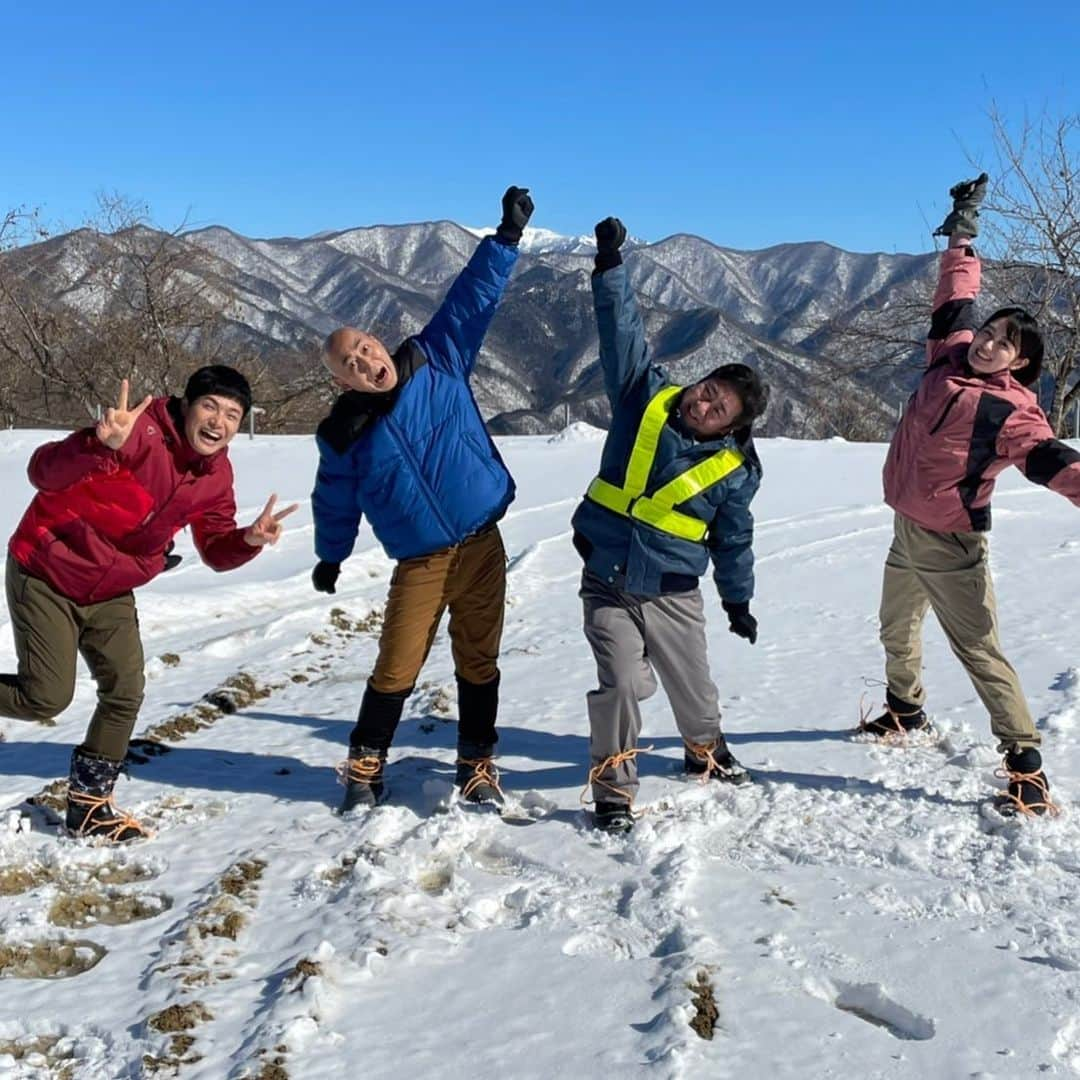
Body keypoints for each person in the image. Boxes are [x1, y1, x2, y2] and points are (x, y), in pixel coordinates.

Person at [862, 173, 1080, 816]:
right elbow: (956, 291)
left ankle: (1026, 764)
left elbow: (1055, 462)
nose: (988, 341)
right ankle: (905, 711)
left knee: (978, 649)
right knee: (895, 628)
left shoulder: (1012, 413)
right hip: (906, 524)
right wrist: (964, 226)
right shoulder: (949, 354)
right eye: (991, 331)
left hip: (952, 543)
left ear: (1021, 362)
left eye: (1005, 341)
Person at [2, 365, 296, 841]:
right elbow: (41, 472)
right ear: (186, 406)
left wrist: (249, 538)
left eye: (232, 414)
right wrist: (97, 445)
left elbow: (217, 549)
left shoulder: (215, 475)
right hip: (47, 569)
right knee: (45, 697)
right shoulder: (136, 432)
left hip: (112, 587)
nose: (218, 422)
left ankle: (90, 806)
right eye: (210, 406)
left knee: (125, 689)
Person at [311, 186, 534, 811]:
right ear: (340, 380)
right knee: (397, 664)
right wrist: (331, 556)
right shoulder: (344, 434)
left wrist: (505, 240)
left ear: (380, 342)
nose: (365, 362)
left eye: (366, 348)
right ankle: (364, 763)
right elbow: (334, 501)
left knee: (479, 659)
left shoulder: (434, 358)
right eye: (350, 363)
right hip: (422, 560)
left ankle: (477, 763)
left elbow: (471, 302)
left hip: (482, 541)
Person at [571, 217, 769, 834]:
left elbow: (733, 541)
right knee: (622, 684)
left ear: (732, 428)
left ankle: (704, 747)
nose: (702, 403)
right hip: (607, 578)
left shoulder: (734, 472)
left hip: (675, 591)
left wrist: (737, 601)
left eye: (718, 408)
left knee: (694, 688)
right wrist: (610, 266)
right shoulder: (645, 399)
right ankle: (613, 788)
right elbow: (620, 332)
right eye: (706, 389)